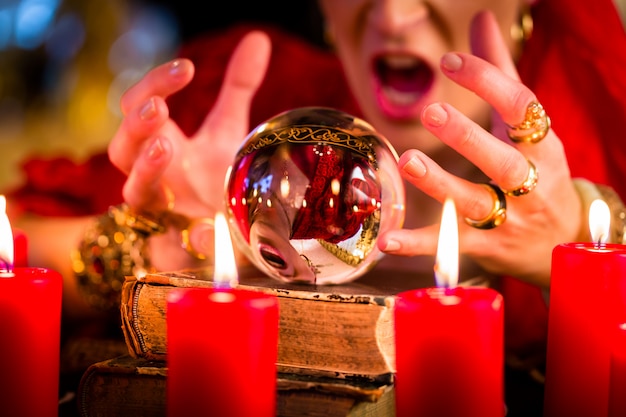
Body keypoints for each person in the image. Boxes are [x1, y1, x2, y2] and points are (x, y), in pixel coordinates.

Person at [6, 0, 626, 412]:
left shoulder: (608, 107)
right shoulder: (244, 107)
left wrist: (575, 242)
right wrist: (156, 247)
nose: (394, 14)